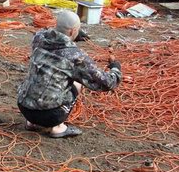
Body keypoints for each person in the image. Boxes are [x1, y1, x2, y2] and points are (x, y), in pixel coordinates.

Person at [17, 10, 122, 138]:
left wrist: (70, 36)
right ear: (72, 31)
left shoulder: (39, 38)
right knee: (78, 83)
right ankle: (57, 128)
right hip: (50, 115)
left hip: (24, 107)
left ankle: (32, 123)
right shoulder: (75, 56)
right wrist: (115, 68)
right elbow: (107, 82)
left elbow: (49, 32)